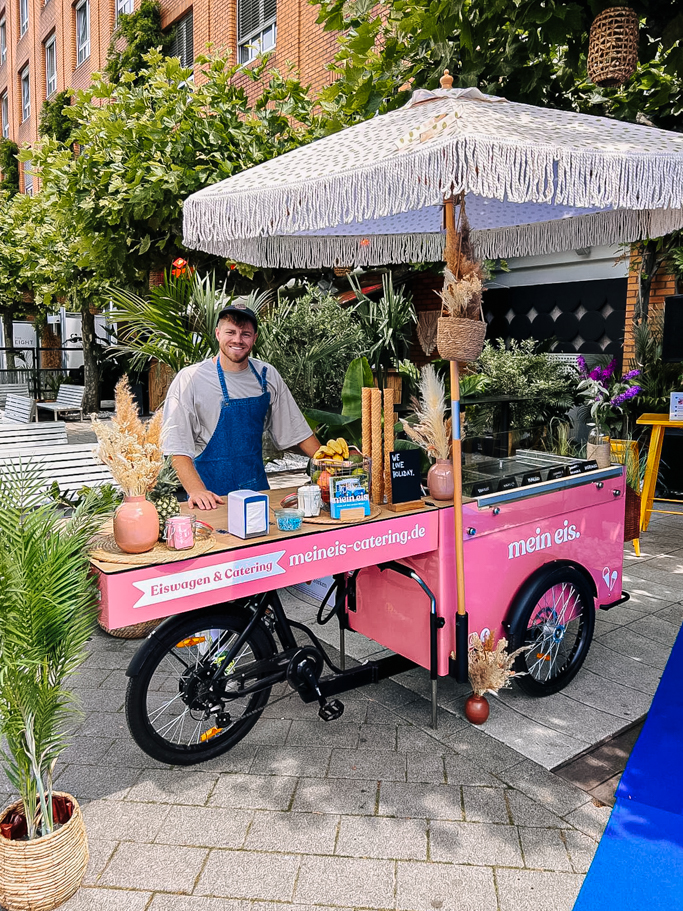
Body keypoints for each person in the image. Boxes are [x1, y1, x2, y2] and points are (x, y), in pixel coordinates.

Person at [162, 303, 319, 509]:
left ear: (254, 338)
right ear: (218, 334)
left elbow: (297, 430)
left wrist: (332, 462)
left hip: (257, 491)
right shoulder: (191, 378)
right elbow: (176, 446)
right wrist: (196, 490)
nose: (237, 339)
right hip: (210, 496)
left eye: (245, 334)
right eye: (231, 332)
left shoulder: (266, 375)